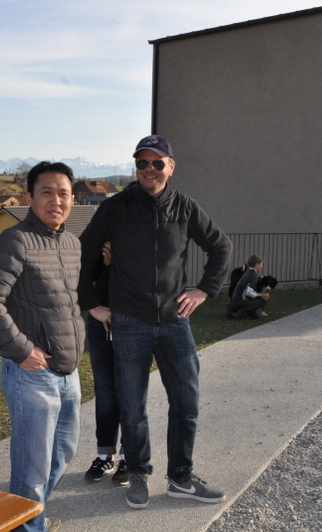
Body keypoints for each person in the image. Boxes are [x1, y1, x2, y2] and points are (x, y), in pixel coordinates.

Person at [78, 134, 232, 510]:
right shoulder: (115, 207)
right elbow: (82, 252)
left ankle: (181, 478)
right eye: (142, 163)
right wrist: (91, 304)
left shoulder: (185, 207)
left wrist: (204, 290)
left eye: (157, 163)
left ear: (170, 167)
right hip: (128, 322)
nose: (149, 169)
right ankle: (138, 474)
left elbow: (220, 246)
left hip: (175, 321)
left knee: (186, 403)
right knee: (133, 407)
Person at [0, 161, 83, 532]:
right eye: (46, 192)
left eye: (63, 193)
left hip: (68, 372)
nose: (56, 200)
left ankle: (26, 518)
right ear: (30, 197)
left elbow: (65, 300)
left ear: (73, 199)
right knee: (32, 470)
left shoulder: (72, 243)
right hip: (31, 374)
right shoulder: (16, 240)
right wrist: (21, 350)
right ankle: (27, 526)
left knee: (62, 454)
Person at [83, 242, 129, 486]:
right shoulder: (96, 239)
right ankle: (105, 455)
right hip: (99, 319)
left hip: (132, 321)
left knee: (130, 390)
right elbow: (83, 281)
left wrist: (114, 265)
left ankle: (129, 456)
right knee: (105, 389)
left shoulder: (136, 235)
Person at [226, 254, 269, 319]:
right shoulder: (254, 276)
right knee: (263, 301)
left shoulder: (248, 272)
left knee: (255, 316)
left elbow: (247, 289)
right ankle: (241, 310)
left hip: (236, 298)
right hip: (242, 299)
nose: (262, 266)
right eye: (261, 264)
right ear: (257, 265)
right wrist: (260, 295)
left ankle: (234, 308)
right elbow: (249, 292)